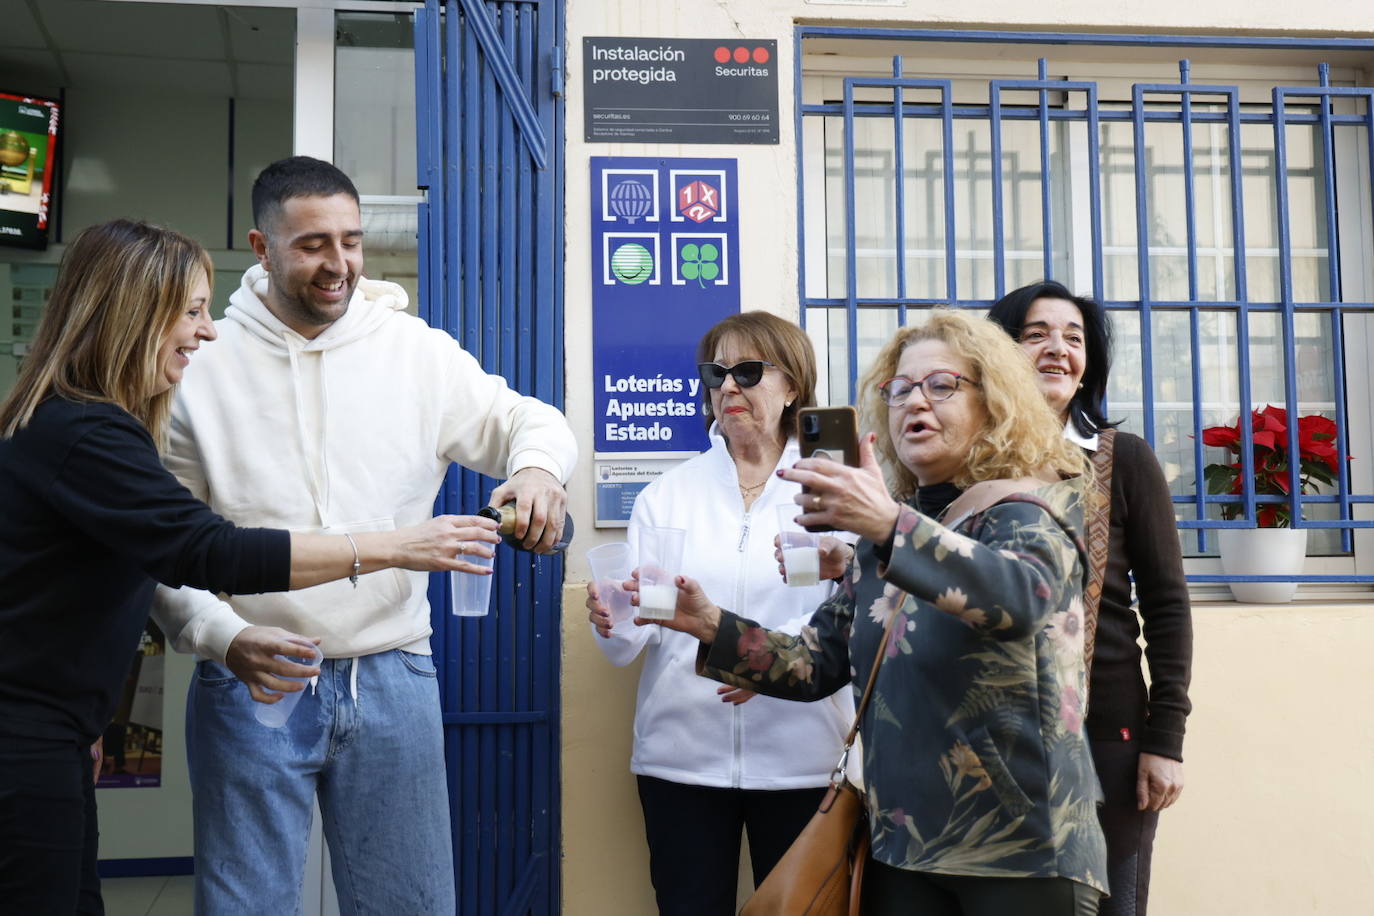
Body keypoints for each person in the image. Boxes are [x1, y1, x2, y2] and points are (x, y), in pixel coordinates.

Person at [0, 219, 492, 915]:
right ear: (136, 310)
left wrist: (76, 729)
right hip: (26, 737)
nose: (205, 334)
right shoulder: (85, 433)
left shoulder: (83, 425)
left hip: (51, 734)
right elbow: (212, 551)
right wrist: (393, 546)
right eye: (193, 311)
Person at [149, 157, 577, 913]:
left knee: (410, 904)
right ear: (262, 245)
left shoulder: (412, 350)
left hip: (393, 672)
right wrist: (221, 637)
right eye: (313, 244)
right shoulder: (199, 366)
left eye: (350, 241)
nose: (338, 264)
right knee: (245, 906)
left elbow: (525, 419)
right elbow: (162, 550)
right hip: (252, 673)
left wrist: (539, 469)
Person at [636, 310, 1107, 915]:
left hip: (1021, 849)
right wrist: (706, 622)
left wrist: (888, 525)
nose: (916, 402)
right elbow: (814, 664)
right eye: (900, 389)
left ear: (992, 403)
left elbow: (1017, 599)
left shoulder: (1025, 504)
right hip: (902, 847)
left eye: (941, 386)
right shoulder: (884, 532)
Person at [585, 311, 851, 915]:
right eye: (716, 373)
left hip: (803, 761)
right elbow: (635, 634)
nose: (728, 387)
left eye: (749, 371)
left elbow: (861, 621)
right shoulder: (667, 495)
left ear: (793, 388)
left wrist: (766, 662)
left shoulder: (833, 490)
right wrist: (611, 618)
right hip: (682, 763)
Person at [989, 281, 1192, 916]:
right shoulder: (969, 464)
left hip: (1109, 731)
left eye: (1073, 338)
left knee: (1111, 903)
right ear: (997, 353)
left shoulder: (1122, 459)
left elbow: (1166, 606)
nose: (1057, 349)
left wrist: (1165, 740)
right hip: (992, 735)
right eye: (1036, 334)